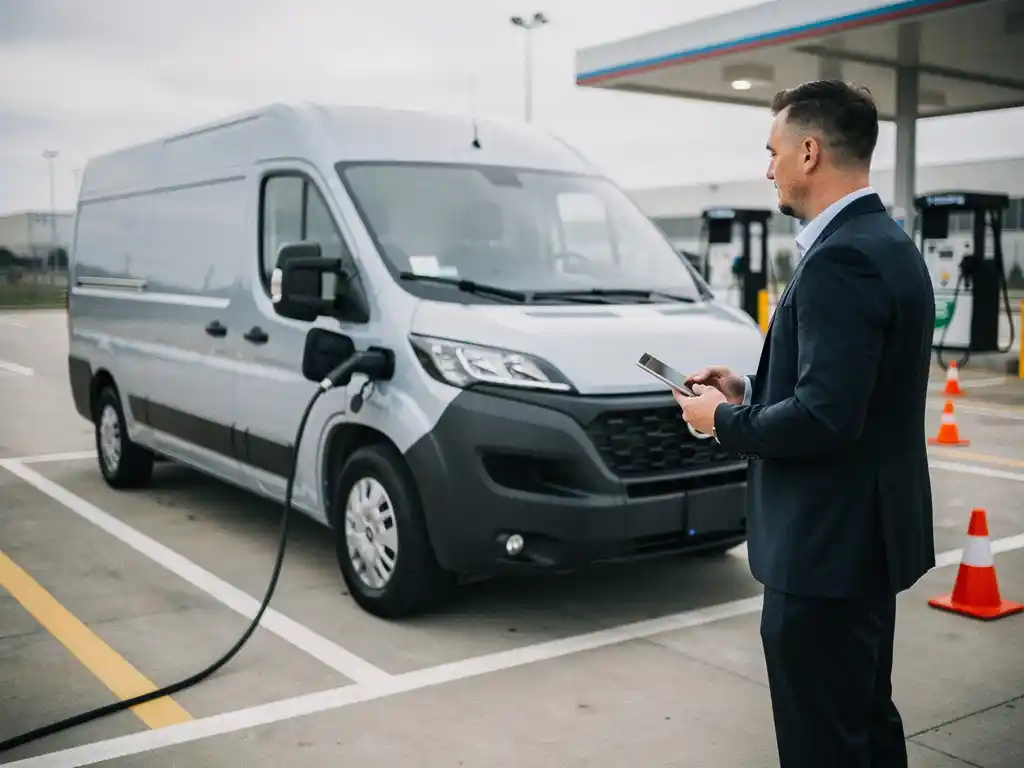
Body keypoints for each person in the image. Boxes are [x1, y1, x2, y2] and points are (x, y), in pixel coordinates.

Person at [676, 80, 936, 767]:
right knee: (864, 722)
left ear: (810, 152)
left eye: (773, 151)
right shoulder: (887, 243)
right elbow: (852, 393)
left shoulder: (841, 260)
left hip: (823, 552)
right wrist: (751, 388)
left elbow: (825, 418)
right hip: (863, 546)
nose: (768, 168)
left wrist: (723, 418)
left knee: (823, 740)